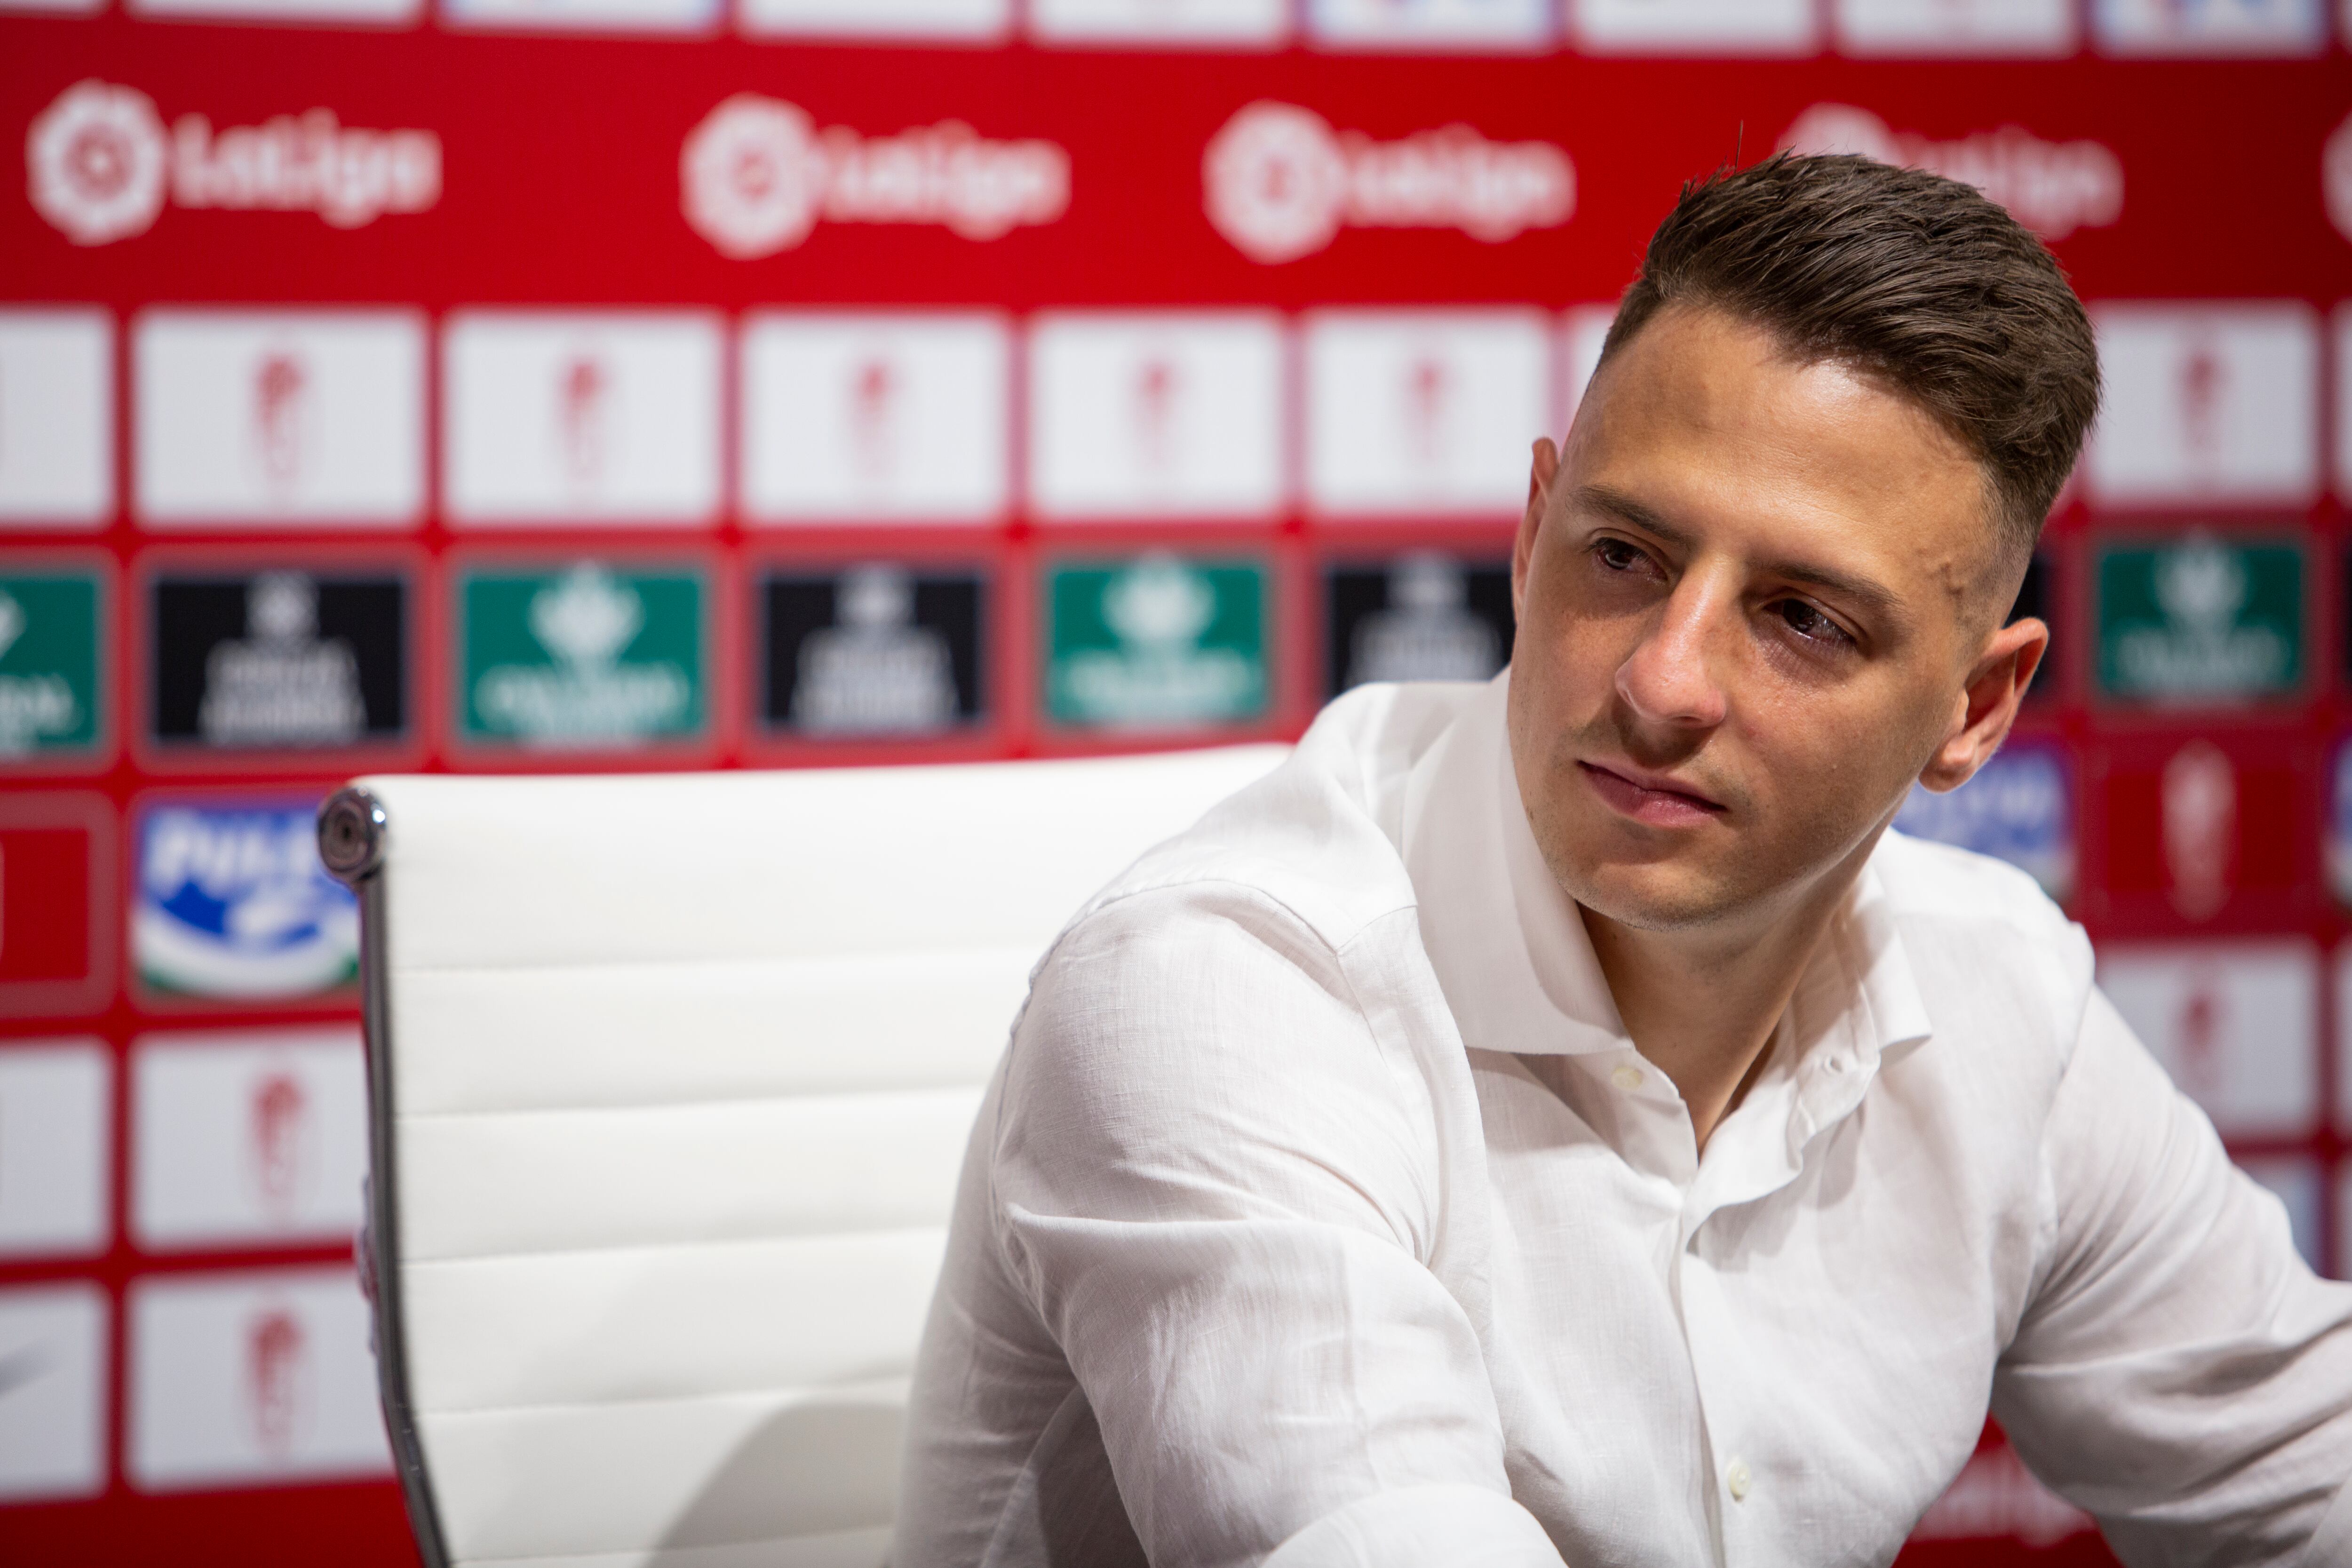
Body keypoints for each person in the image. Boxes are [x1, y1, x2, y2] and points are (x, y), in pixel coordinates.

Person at [893, 154, 2352, 1568]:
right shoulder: (1231, 993)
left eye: (1802, 619)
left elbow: (2307, 1475)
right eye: (1625, 557)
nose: (1662, 682)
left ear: (1974, 709)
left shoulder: (1996, 994)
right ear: (1533, 536)